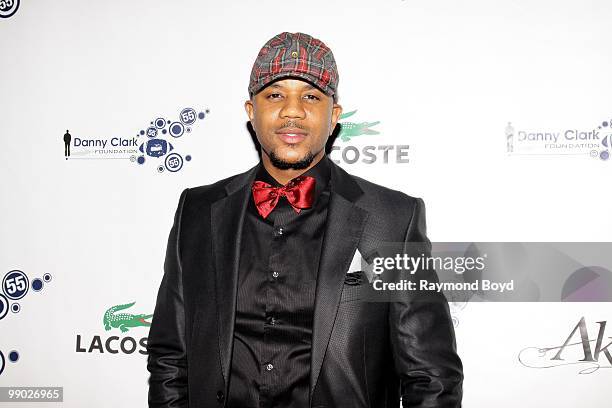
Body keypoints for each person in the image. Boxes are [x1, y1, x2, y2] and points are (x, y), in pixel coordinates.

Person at [147, 32, 463, 408]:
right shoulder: (197, 210)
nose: (292, 111)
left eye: (311, 96)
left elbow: (431, 375)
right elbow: (170, 356)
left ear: (334, 116)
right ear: (252, 111)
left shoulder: (392, 218)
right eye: (275, 95)